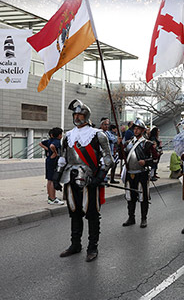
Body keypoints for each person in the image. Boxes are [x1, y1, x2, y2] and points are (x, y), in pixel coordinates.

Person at [57, 100, 112, 261]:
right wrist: (56, 177)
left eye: (80, 114)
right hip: (70, 177)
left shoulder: (97, 134)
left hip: (90, 178)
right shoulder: (67, 135)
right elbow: (63, 158)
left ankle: (92, 247)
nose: (77, 117)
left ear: (86, 116)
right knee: (75, 213)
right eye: (75, 114)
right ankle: (75, 245)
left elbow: (108, 158)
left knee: (92, 214)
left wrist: (100, 176)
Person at [122, 119, 154, 228]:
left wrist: (146, 162)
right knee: (130, 197)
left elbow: (155, 158)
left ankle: (143, 218)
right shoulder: (128, 143)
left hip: (142, 173)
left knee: (143, 197)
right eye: (134, 128)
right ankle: (131, 217)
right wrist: (119, 146)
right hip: (130, 173)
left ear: (142, 130)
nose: (135, 131)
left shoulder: (147, 144)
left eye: (138, 129)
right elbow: (123, 156)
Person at [40, 127, 65, 205]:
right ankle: (52, 198)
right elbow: (52, 146)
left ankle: (50, 197)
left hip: (48, 160)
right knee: (52, 180)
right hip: (53, 161)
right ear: (59, 135)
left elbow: (40, 143)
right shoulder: (56, 141)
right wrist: (55, 153)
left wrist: (47, 149)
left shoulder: (50, 140)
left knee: (49, 180)